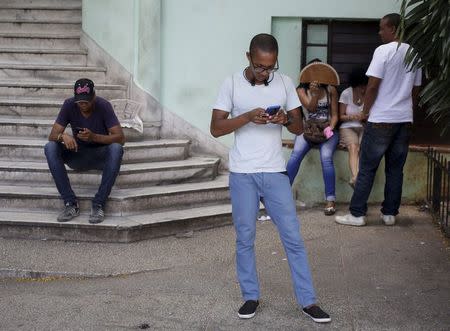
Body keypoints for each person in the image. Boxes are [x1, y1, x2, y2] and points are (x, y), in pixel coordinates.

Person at [210, 33, 330, 323]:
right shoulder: (232, 83)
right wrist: (248, 116)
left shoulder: (285, 83)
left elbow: (300, 127)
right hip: (243, 173)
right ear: (249, 57)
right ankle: (250, 297)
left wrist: (284, 120)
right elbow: (216, 128)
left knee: (293, 237)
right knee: (245, 238)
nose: (266, 72)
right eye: (261, 66)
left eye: (271, 67)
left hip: (275, 171)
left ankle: (308, 301)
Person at [335, 13, 421, 227]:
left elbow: (372, 86)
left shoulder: (383, 51)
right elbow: (416, 89)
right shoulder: (414, 53)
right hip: (403, 120)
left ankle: (356, 214)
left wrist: (365, 112)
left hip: (381, 118)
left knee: (367, 168)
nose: (379, 32)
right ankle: (390, 214)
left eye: (382, 28)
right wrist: (408, 111)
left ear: (392, 28)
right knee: (395, 169)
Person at [44, 78, 125, 224]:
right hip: (78, 154)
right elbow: (52, 136)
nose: (83, 104)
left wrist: (94, 137)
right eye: (80, 101)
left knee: (116, 148)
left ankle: (99, 203)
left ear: (94, 96)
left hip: (100, 156)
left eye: (86, 100)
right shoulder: (69, 105)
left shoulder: (104, 106)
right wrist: (62, 136)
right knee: (50, 147)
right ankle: (70, 204)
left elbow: (120, 138)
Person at [286, 60, 339, 216]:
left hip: (327, 129)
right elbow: (310, 108)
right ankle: (281, 195)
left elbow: (335, 115)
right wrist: (314, 94)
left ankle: (330, 200)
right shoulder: (301, 91)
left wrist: (331, 128)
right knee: (295, 155)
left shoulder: (331, 90)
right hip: (308, 130)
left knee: (326, 157)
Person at [338, 67, 368, 188]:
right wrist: (352, 117)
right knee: (353, 146)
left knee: (363, 148)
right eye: (360, 86)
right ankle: (356, 177)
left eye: (365, 85)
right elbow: (341, 116)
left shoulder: (369, 94)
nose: (363, 89)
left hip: (363, 126)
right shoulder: (346, 93)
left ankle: (356, 179)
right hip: (348, 126)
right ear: (354, 84)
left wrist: (364, 117)